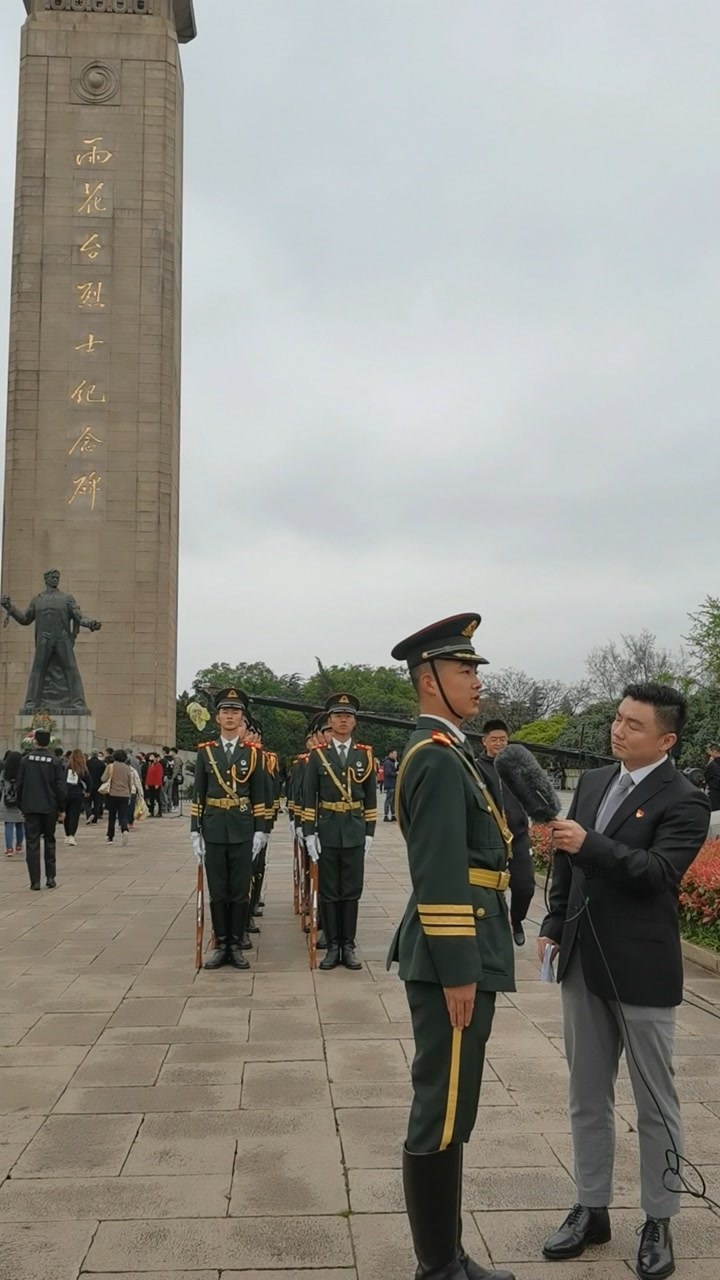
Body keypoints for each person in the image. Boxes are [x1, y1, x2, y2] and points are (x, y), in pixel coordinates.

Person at [538, 683, 711, 1280]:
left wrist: (594, 844)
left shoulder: (686, 799)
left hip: (641, 968)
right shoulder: (591, 782)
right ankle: (591, 1208)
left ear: (665, 739)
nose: (618, 730)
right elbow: (566, 859)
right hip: (583, 959)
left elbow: (659, 874)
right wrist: (554, 922)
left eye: (633, 725)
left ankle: (658, 1219)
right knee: (587, 1094)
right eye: (617, 719)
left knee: (654, 1102)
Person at [386, 614, 514, 1280]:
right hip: (452, 955)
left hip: (464, 946)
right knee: (441, 1107)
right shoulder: (435, 756)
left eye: (473, 669)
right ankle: (437, 1267)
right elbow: (436, 872)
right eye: (463, 670)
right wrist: (460, 969)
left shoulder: (450, 748)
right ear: (428, 679)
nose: (474, 681)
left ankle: (450, 1256)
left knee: (454, 1104)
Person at [190, 688, 268, 971]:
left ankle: (235, 945)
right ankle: (220, 943)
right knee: (218, 890)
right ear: (217, 717)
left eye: (235, 712)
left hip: (242, 828)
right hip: (213, 827)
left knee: (239, 891)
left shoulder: (253, 754)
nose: (230, 716)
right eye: (225, 711)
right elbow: (198, 793)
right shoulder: (206, 752)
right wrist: (194, 831)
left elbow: (259, 795)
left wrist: (261, 830)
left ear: (241, 717)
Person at [302, 693, 377, 972]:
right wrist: (310, 833)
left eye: (348, 716)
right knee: (330, 892)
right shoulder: (318, 756)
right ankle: (333, 946)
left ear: (355, 722)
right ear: (330, 721)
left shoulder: (365, 755)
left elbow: (370, 797)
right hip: (328, 830)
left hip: (355, 830)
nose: (343, 720)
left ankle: (349, 944)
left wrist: (370, 831)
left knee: (352, 891)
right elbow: (310, 796)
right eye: (337, 716)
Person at [479, 719, 536, 947]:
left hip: (519, 835)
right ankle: (496, 927)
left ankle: (517, 919)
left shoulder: (516, 767)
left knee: (525, 886)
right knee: (491, 888)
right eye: (494, 739)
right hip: (492, 838)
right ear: (484, 741)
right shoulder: (476, 767)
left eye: (503, 739)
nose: (499, 743)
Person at [16, 728, 67, 890]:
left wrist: (21, 805)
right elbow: (60, 787)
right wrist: (62, 808)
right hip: (50, 807)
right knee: (50, 841)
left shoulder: (25, 760)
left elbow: (20, 785)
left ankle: (34, 881)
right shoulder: (55, 761)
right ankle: (50, 877)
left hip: (31, 807)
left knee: (32, 844)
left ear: (35, 741)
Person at [101, 750, 133, 846]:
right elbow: (129, 782)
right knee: (123, 815)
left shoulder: (110, 766)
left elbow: (103, 778)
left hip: (112, 794)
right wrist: (129, 793)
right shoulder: (127, 768)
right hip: (124, 794)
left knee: (112, 816)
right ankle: (125, 830)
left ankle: (110, 837)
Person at [63, 748, 91, 846]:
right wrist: (87, 791)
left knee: (66, 815)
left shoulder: (66, 767)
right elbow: (89, 781)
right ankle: (71, 836)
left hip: (66, 793)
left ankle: (67, 835)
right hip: (77, 794)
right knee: (74, 816)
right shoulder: (83, 768)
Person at [0, 750, 25, 857]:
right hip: (20, 802)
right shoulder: (23, 772)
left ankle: (9, 848)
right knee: (20, 824)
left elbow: (1, 788)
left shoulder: (4, 773)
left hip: (7, 801)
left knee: (8, 825)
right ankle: (19, 845)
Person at [86, 749, 106, 823]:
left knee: (87, 802)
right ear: (97, 754)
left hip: (88, 785)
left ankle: (89, 814)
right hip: (98, 785)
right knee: (97, 802)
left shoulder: (87, 763)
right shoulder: (101, 764)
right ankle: (95, 818)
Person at [382, 748, 399, 820]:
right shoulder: (388, 763)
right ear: (390, 753)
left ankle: (393, 814)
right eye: (395, 754)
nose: (396, 755)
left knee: (392, 800)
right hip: (390, 784)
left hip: (392, 784)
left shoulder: (391, 762)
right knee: (389, 800)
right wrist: (396, 773)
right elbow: (388, 773)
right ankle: (386, 815)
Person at [703, 743, 720, 811]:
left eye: (709, 751)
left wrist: (710, 762)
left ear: (714, 751)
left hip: (715, 792)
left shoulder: (713, 764)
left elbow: (705, 775)